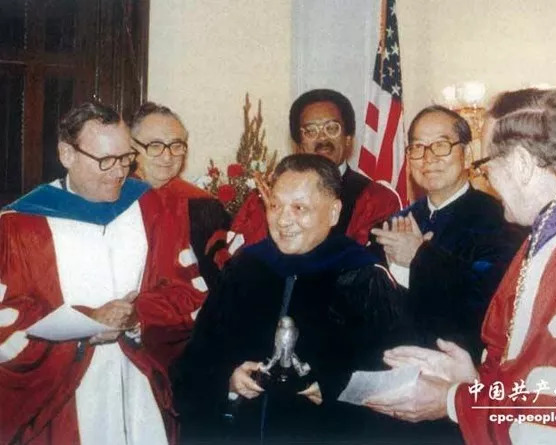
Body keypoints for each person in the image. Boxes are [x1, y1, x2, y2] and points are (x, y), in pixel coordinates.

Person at [364, 89, 556, 444]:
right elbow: (535, 374)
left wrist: (453, 400)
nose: (489, 183)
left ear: (522, 164)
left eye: (487, 168)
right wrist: (475, 381)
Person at [0, 102, 208, 445]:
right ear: (67, 154)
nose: (119, 172)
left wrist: (138, 316)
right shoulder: (21, 225)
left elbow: (186, 292)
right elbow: (7, 319)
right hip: (63, 403)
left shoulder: (151, 207)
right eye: (106, 161)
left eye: (126, 158)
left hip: (141, 394)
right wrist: (87, 324)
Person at [172, 154, 406, 444]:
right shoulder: (244, 270)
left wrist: (333, 385)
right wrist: (227, 379)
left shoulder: (363, 278)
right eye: (275, 205)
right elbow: (195, 361)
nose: (283, 220)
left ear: (333, 212)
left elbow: (395, 379)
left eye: (299, 208)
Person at [371, 105, 524, 363]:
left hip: (461, 368)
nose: (428, 158)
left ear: (467, 154)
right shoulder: (397, 222)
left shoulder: (500, 220)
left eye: (441, 145)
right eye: (418, 147)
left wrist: (420, 258)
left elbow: (491, 302)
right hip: (395, 362)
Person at [228, 88, 401, 254]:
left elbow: (369, 263)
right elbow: (240, 262)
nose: (322, 138)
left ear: (348, 138)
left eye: (332, 128)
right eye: (310, 131)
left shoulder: (376, 199)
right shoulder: (266, 197)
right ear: (298, 144)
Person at [130, 102, 231, 368]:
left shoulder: (203, 206)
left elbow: (221, 280)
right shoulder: (114, 202)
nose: (167, 156)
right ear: (133, 148)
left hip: (189, 335)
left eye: (176, 145)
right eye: (155, 145)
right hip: (124, 334)